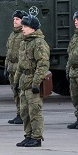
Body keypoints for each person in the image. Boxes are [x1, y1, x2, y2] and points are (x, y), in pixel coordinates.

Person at [15, 15, 50, 147]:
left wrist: (36, 82)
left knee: (34, 110)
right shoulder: (24, 42)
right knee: (25, 111)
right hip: (24, 80)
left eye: (25, 26)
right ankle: (28, 135)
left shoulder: (39, 43)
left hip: (32, 81)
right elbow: (21, 64)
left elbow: (42, 64)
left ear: (33, 28)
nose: (22, 29)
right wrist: (16, 80)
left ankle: (36, 137)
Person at [6, 10, 28, 125]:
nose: (15, 21)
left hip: (20, 68)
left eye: (17, 19)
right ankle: (19, 113)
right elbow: (9, 52)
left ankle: (23, 114)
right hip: (12, 67)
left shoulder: (24, 35)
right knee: (16, 92)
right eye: (14, 19)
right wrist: (6, 67)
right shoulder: (13, 35)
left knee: (21, 93)